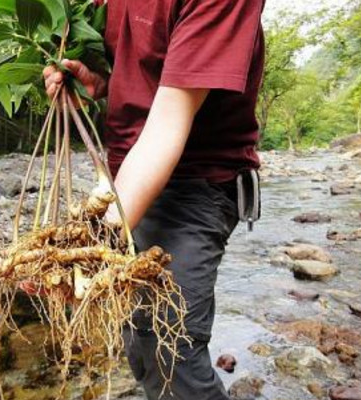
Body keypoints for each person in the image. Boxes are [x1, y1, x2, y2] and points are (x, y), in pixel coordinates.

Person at [42, 0, 266, 399]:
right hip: (133, 177)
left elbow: (169, 121)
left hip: (197, 184)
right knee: (140, 337)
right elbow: (150, 75)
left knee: (171, 346)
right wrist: (101, 86)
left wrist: (92, 243)